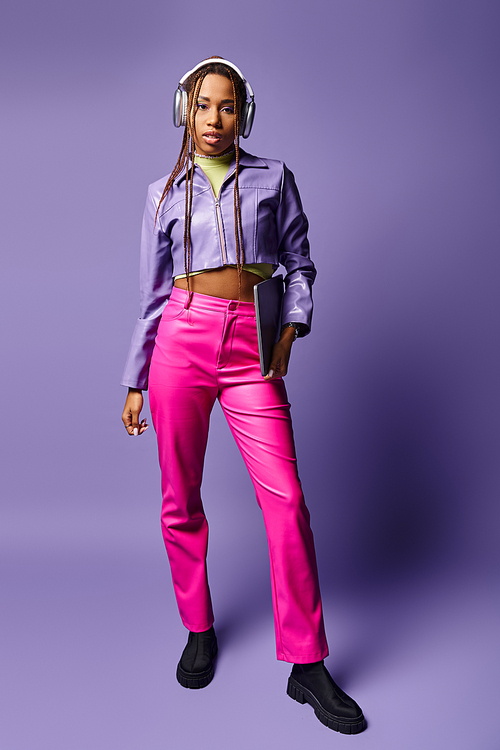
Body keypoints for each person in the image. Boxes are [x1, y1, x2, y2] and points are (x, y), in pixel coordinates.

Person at [121, 56, 366, 735]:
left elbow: (299, 261)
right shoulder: (161, 193)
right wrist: (136, 378)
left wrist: (291, 325)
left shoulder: (274, 178)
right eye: (203, 106)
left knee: (286, 498)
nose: (214, 119)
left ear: (244, 113)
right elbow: (151, 294)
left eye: (227, 107)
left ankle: (306, 662)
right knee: (181, 496)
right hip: (182, 338)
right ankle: (198, 626)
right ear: (184, 110)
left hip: (252, 343)